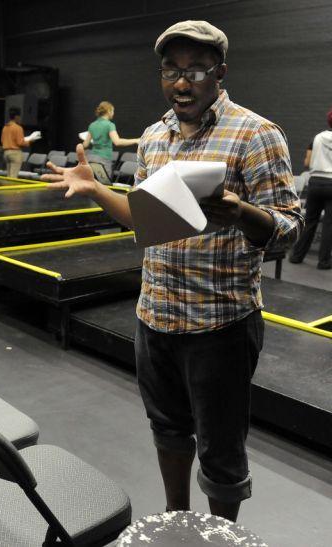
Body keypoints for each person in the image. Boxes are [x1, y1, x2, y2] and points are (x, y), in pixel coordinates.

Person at [42, 20, 302, 522]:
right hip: (155, 316)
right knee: (167, 429)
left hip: (219, 325)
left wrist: (243, 213)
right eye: (170, 70)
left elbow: (289, 229)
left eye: (195, 70)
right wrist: (97, 191)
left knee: (222, 452)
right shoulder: (155, 137)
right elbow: (145, 221)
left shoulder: (255, 134)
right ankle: (176, 521)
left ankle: (220, 535)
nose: (181, 82)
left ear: (220, 73)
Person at [289, 109, 332, 269]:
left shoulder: (317, 138)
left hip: (315, 182)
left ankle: (296, 256)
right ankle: (324, 262)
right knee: (329, 224)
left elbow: (307, 162)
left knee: (310, 221)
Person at [81, 101, 139, 178]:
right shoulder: (109, 125)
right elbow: (117, 142)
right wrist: (135, 140)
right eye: (113, 111)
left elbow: (85, 144)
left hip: (91, 159)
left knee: (90, 184)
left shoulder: (92, 125)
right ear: (109, 111)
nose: (113, 113)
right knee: (104, 185)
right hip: (103, 160)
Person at [1, 107, 40, 178]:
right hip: (15, 153)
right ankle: (12, 189)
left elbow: (2, 140)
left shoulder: (5, 127)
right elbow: (20, 143)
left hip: (6, 153)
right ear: (16, 117)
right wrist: (30, 141)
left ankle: (7, 188)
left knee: (8, 176)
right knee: (13, 176)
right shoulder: (18, 128)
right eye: (19, 116)